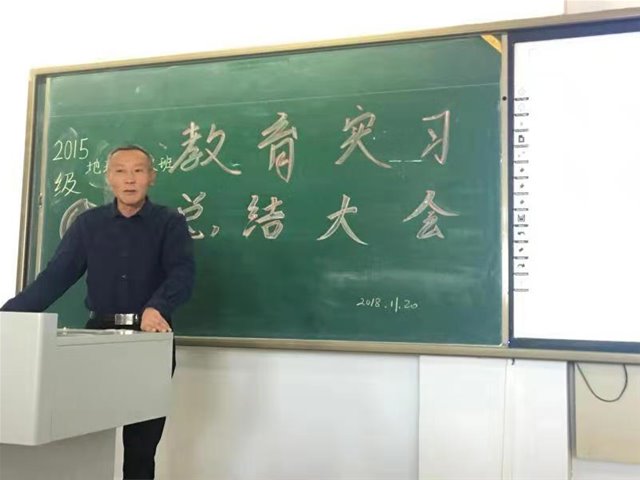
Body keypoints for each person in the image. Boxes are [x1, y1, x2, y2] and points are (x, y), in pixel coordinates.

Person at [1, 144, 195, 479]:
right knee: (83, 436)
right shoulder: (88, 224)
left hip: (150, 341)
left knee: (141, 446)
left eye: (138, 171)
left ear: (151, 177)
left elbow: (182, 273)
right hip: (97, 340)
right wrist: (6, 317)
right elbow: (55, 278)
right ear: (109, 178)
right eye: (121, 171)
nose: (130, 179)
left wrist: (157, 306)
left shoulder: (170, 223)